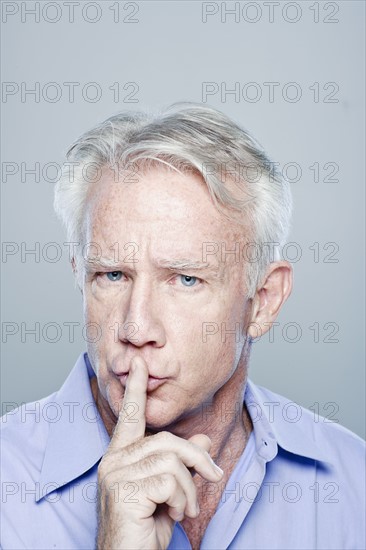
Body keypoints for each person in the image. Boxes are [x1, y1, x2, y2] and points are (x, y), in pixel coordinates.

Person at [1, 103, 364, 550]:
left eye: (186, 279)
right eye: (112, 275)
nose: (136, 328)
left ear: (263, 302)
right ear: (80, 275)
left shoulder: (352, 481)